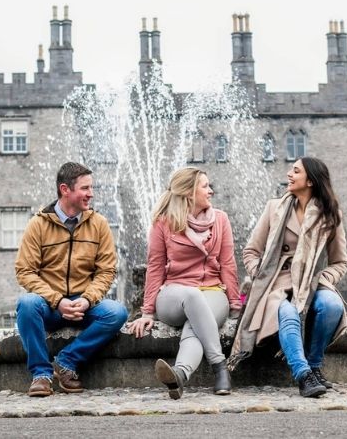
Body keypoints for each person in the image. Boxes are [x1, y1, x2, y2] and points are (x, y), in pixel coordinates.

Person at [228, 157, 347, 398]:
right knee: (287, 313)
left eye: (295, 171)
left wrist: (324, 278)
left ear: (311, 181)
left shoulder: (330, 214)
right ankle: (303, 375)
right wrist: (261, 274)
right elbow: (250, 251)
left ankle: (314, 365)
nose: (289, 174)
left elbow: (340, 261)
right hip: (276, 282)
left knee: (332, 305)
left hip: (311, 282)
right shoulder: (275, 208)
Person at [15, 162, 128, 397]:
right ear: (65, 190)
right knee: (26, 305)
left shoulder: (99, 224)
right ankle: (41, 374)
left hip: (83, 304)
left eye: (91, 187)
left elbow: (106, 271)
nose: (91, 194)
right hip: (50, 306)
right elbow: (25, 271)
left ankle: (66, 362)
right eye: (85, 188)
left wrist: (87, 300)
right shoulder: (38, 224)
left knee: (117, 312)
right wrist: (57, 301)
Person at [127, 167, 241, 399]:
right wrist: (148, 312)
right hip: (174, 295)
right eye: (205, 186)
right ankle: (220, 366)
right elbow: (156, 267)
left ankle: (179, 374)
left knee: (195, 324)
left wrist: (235, 304)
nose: (210, 191)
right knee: (192, 296)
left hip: (212, 292)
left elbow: (228, 264)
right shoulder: (163, 223)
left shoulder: (220, 220)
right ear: (189, 192)